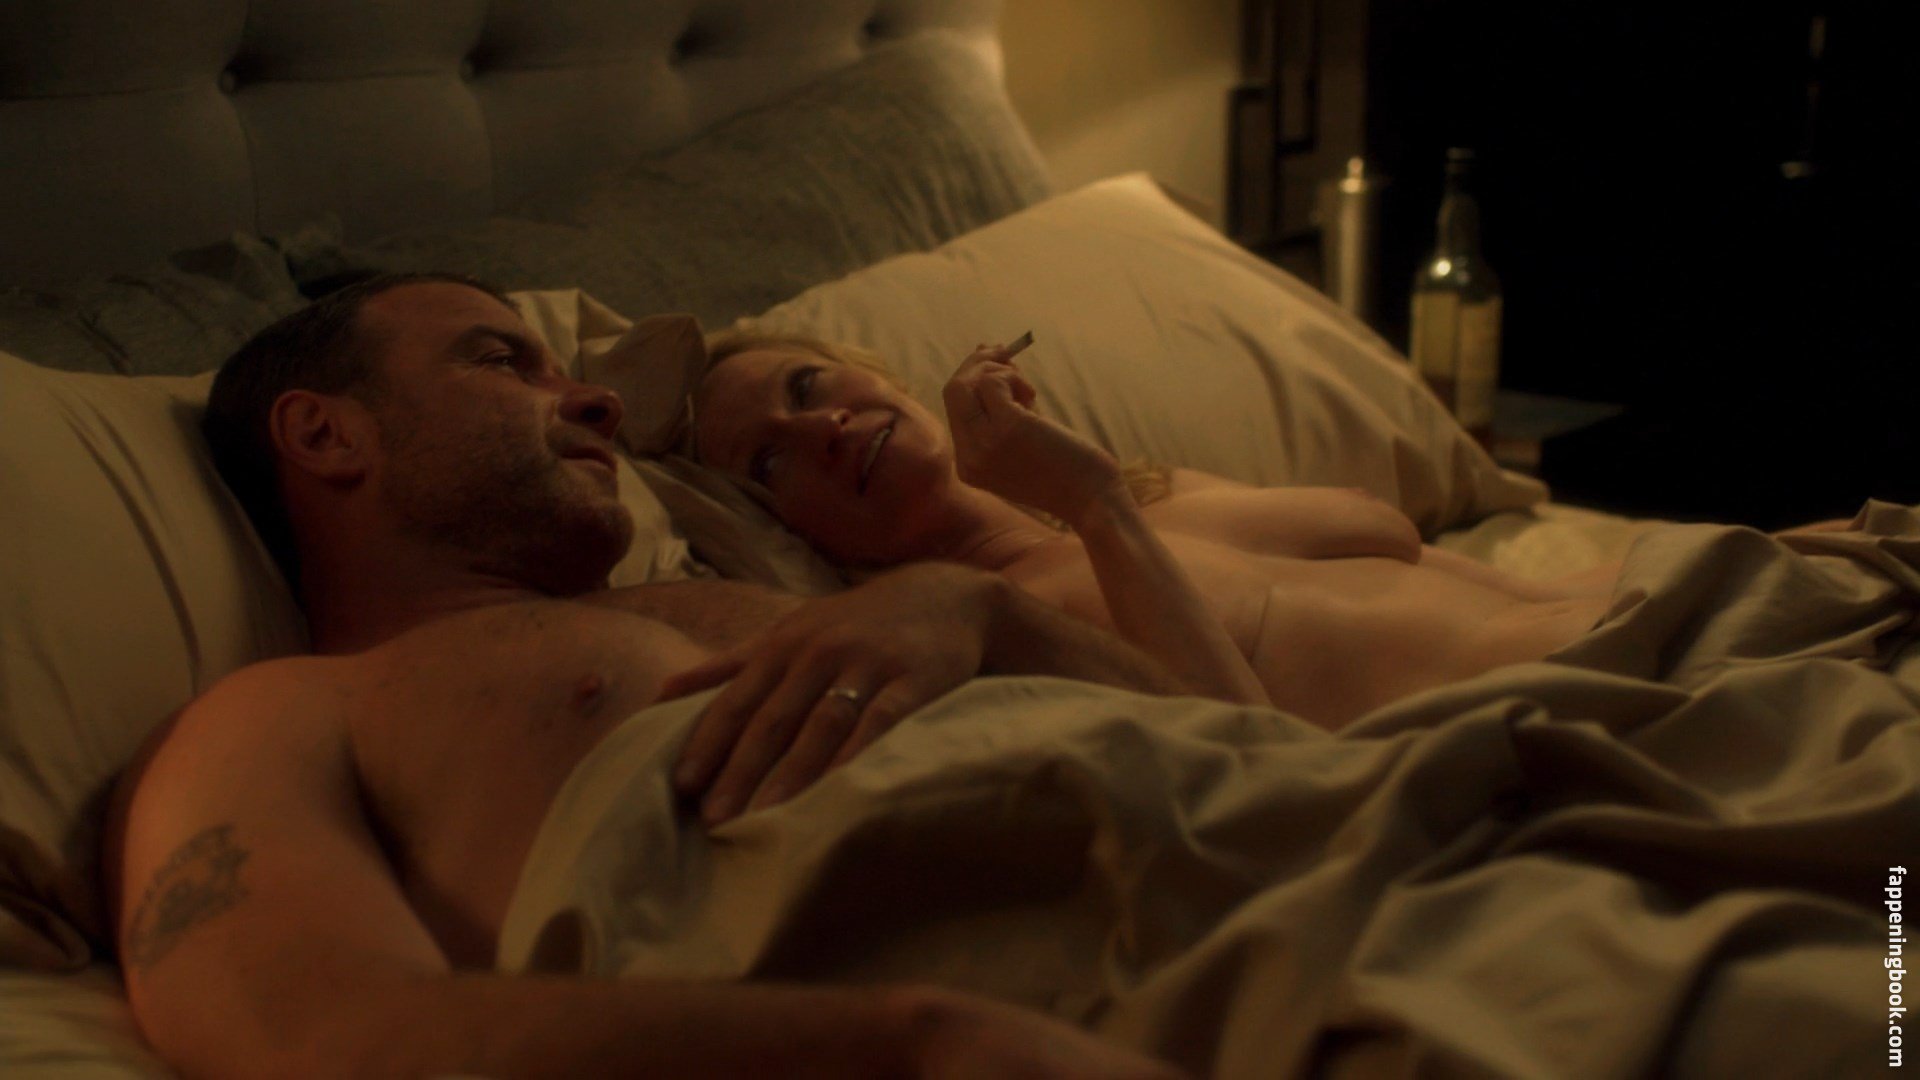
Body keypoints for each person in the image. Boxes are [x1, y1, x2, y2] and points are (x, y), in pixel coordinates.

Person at [103, 273, 1192, 1079]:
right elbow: (319, 1035)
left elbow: (1216, 723)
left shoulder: (745, 603)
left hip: (1252, 821)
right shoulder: (278, 713)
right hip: (1113, 1000)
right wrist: (919, 1046)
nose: (598, 404)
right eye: (501, 362)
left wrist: (982, 610)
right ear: (324, 433)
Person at [691, 332, 1628, 730]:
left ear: (876, 372)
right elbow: (1257, 773)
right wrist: (1090, 501)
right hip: (1570, 718)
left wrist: (1097, 495)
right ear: (789, 532)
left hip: (1636, 610)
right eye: (769, 462)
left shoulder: (1152, 492)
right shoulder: (999, 629)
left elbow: (1405, 549)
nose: (820, 428)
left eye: (807, 387)